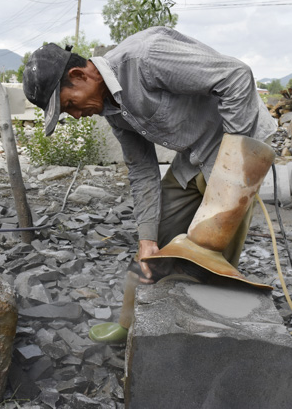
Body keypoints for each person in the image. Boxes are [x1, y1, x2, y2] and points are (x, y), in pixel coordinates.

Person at [22, 26, 277, 343]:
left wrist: (234, 162)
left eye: (69, 105)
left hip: (237, 145)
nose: (74, 116)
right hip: (193, 154)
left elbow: (236, 77)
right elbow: (142, 169)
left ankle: (207, 335)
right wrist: (146, 239)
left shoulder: (145, 58)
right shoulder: (113, 111)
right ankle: (130, 325)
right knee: (153, 243)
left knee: (210, 246)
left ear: (79, 75)